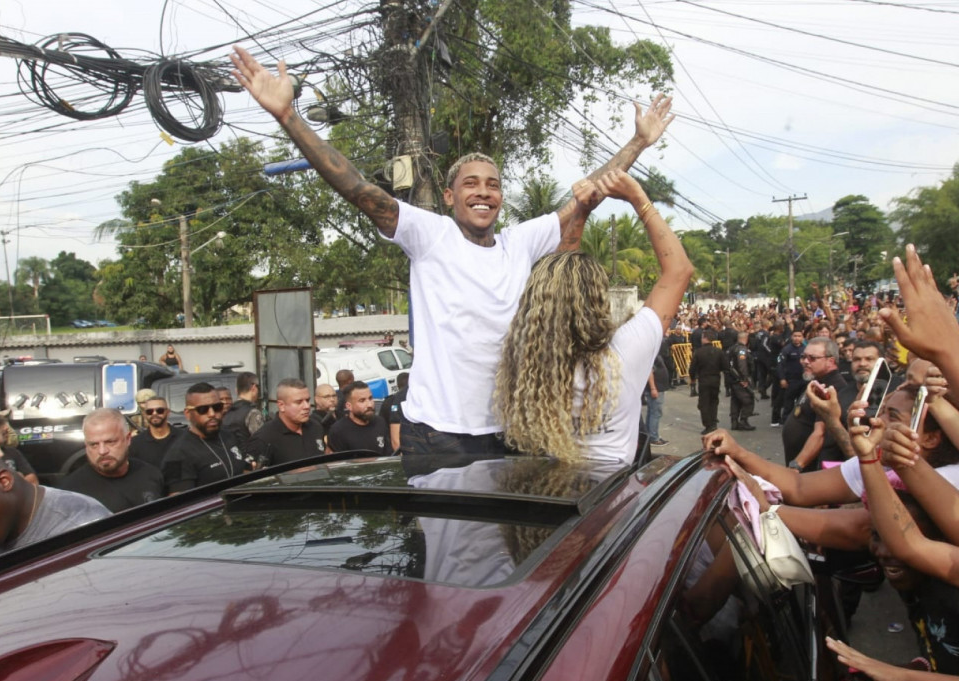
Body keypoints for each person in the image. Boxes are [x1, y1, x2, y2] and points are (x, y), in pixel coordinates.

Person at [231, 46, 674, 456]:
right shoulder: (432, 235)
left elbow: (585, 195)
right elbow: (359, 189)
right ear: (448, 196)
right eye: (470, 184)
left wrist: (638, 142)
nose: (483, 192)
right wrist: (289, 116)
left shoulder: (519, 243)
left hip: (510, 431)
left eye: (493, 185)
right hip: (436, 434)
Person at [493, 171, 693, 464]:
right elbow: (679, 271)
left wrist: (581, 212)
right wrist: (638, 198)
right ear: (598, 298)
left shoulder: (527, 358)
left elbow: (558, 277)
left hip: (548, 485)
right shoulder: (625, 352)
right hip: (611, 487)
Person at [59, 408, 165, 512]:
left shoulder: (150, 474)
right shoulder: (71, 493)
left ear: (128, 439)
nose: (102, 451)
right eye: (94, 444)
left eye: (110, 442)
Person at [781, 336, 857, 471]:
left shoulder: (832, 388)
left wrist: (797, 465)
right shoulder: (817, 380)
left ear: (830, 361)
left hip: (808, 469)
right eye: (803, 357)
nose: (805, 361)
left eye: (812, 358)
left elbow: (820, 433)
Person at [161, 383, 251, 493]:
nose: (212, 414)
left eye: (217, 407)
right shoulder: (176, 455)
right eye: (203, 409)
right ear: (188, 414)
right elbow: (180, 499)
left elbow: (245, 471)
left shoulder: (229, 436)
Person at [247, 379, 327, 467]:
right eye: (299, 402)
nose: (307, 406)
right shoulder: (264, 438)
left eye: (307, 400)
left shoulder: (316, 427)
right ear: (281, 406)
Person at [326, 381, 391, 456]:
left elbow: (389, 455)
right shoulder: (338, 431)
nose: (369, 405)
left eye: (370, 398)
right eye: (362, 401)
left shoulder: (380, 423)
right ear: (349, 406)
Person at [128, 396, 183, 469]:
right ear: (144, 414)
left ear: (168, 412)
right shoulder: (135, 444)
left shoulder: (184, 438)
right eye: (149, 412)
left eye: (160, 410)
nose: (154, 414)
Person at [690, 329, 727, 434]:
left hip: (704, 379)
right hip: (715, 379)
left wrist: (693, 378)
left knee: (704, 403)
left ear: (705, 338)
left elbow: (692, 368)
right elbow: (725, 366)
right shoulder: (719, 351)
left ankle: (708, 424)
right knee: (714, 401)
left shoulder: (698, 352)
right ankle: (713, 422)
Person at [222, 372, 265, 450]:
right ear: (253, 388)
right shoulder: (253, 413)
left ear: (236, 390)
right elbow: (261, 441)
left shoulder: (228, 412)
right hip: (249, 455)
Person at [774, 329, 806, 427]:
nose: (797, 338)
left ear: (802, 338)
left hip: (804, 380)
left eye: (799, 336)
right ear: (792, 337)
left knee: (802, 403)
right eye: (795, 336)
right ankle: (786, 421)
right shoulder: (786, 349)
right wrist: (782, 378)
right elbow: (780, 365)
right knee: (788, 403)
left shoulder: (806, 349)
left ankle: (800, 422)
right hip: (791, 380)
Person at [727, 330, 756, 431]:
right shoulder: (741, 349)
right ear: (746, 339)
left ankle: (734, 421)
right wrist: (745, 379)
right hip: (740, 379)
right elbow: (742, 365)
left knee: (735, 400)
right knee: (748, 400)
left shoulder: (731, 348)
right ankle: (744, 421)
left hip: (733, 379)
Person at [379, 372, 409, 453]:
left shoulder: (388, 402)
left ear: (397, 385)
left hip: (392, 446)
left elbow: (382, 423)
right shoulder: (413, 400)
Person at [644, 354, 670, 447]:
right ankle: (654, 437)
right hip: (656, 388)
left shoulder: (653, 354)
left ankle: (649, 435)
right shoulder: (651, 355)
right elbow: (649, 372)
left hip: (657, 387)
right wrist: (653, 388)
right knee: (655, 413)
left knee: (652, 412)